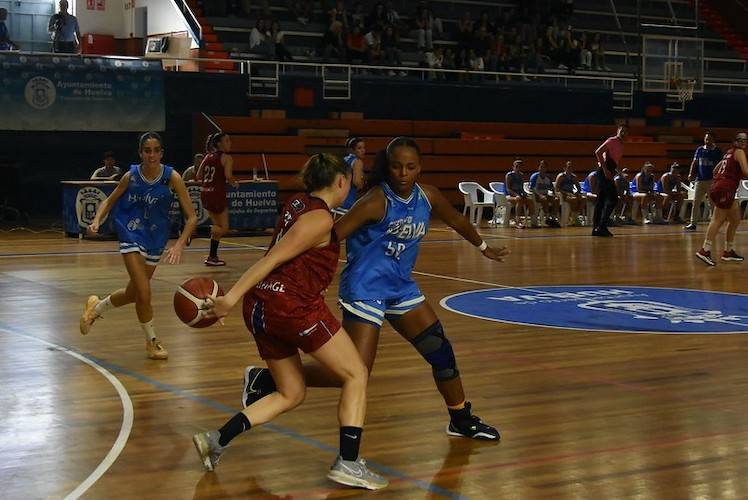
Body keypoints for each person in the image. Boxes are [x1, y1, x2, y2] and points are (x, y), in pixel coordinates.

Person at [240, 137, 508, 441]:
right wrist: (294, 275)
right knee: (357, 372)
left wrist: (483, 246)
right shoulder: (375, 201)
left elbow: (457, 219)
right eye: (396, 166)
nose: (403, 173)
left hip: (401, 288)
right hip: (365, 289)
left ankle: (460, 419)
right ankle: (267, 380)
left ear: (420, 168)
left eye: (410, 167)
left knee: (441, 352)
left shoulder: (428, 196)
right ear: (387, 168)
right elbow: (329, 236)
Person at [193, 154, 388, 490]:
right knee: (357, 373)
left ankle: (216, 439)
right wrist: (230, 297)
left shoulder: (298, 202)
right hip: (292, 306)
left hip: (264, 308)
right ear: (340, 182)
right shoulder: (320, 221)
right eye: (350, 180)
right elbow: (272, 258)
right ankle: (349, 462)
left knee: (292, 392)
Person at [79, 132, 198, 360]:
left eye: (156, 150)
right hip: (131, 232)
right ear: (140, 153)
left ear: (161, 153)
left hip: (157, 239)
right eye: (147, 150)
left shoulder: (172, 177)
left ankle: (96, 307)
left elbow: (192, 217)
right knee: (144, 292)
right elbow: (109, 200)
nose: (151, 155)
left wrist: (180, 244)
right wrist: (96, 220)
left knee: (134, 293)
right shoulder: (130, 176)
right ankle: (152, 341)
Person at [696, 132, 748, 266]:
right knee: (717, 220)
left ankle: (728, 251)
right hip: (725, 188)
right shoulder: (739, 152)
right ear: (735, 141)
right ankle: (704, 251)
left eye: (745, 140)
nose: (743, 142)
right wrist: (733, 177)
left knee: (735, 220)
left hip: (720, 186)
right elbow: (746, 172)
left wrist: (734, 175)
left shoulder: (728, 153)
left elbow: (715, 171)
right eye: (740, 139)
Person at [196, 133, 239, 267]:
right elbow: (227, 175)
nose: (229, 143)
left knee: (217, 228)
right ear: (219, 143)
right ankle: (197, 231)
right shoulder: (227, 158)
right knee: (224, 228)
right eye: (226, 140)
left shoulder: (208, 156)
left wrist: (208, 183)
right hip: (217, 194)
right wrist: (234, 182)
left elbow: (198, 175)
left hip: (205, 193)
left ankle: (212, 257)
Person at [592, 124, 626, 236]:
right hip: (603, 171)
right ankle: (601, 226)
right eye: (622, 131)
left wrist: (618, 171)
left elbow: (613, 161)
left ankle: (597, 228)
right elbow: (598, 152)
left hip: (609, 170)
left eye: (626, 131)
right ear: (618, 131)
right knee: (613, 199)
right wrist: (605, 170)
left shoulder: (621, 145)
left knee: (601, 200)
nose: (624, 133)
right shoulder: (612, 141)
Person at [685, 131, 722, 231]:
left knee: (712, 203)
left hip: (712, 180)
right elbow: (695, 162)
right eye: (706, 139)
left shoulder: (717, 151)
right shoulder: (700, 149)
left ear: (713, 140)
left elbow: (721, 165)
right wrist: (690, 173)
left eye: (709, 139)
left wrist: (718, 178)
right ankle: (693, 223)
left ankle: (714, 223)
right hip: (699, 180)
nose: (707, 141)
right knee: (695, 202)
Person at [338, 137, 365, 214]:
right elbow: (356, 182)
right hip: (349, 202)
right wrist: (362, 183)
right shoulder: (357, 162)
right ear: (352, 150)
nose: (363, 150)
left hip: (338, 200)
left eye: (364, 147)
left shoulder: (343, 159)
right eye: (359, 148)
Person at [529, 160, 560, 227]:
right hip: (537, 195)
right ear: (538, 168)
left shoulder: (548, 177)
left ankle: (553, 218)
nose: (542, 168)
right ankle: (547, 217)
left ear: (546, 168)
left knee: (557, 200)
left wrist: (554, 195)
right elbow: (532, 188)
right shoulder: (534, 176)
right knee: (544, 199)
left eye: (544, 167)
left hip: (546, 195)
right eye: (541, 167)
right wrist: (540, 195)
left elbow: (551, 189)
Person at [505, 158, 535, 228]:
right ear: (513, 167)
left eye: (520, 166)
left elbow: (521, 189)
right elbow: (508, 189)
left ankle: (534, 222)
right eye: (516, 166)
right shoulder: (509, 175)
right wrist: (516, 195)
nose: (518, 168)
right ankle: (517, 221)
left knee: (530, 200)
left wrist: (525, 194)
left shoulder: (521, 175)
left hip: (519, 195)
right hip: (509, 195)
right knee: (519, 200)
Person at [555, 160, 585, 225]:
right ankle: (573, 219)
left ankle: (575, 217)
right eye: (568, 167)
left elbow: (579, 188)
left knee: (583, 199)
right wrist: (565, 193)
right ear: (565, 168)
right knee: (574, 200)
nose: (570, 169)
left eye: (571, 167)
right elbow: (557, 188)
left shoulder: (574, 177)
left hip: (571, 194)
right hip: (563, 194)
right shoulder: (561, 176)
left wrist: (577, 193)